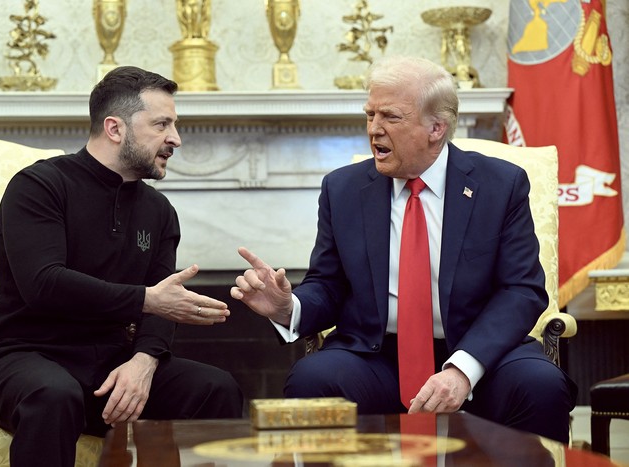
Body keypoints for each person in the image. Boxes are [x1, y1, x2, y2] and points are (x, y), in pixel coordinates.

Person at [231, 55, 576, 443]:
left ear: (436, 128)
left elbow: (521, 290)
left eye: (390, 117)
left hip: (479, 350)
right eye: (369, 115)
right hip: (375, 355)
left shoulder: (501, 185)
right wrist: (288, 308)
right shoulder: (343, 190)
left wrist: (463, 368)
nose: (373, 130)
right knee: (313, 379)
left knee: (541, 384)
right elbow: (328, 284)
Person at [0, 66, 243, 467]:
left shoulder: (159, 210)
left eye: (175, 124)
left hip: (111, 366)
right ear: (115, 128)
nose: (176, 139)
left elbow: (162, 302)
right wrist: (146, 300)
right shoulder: (39, 186)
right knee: (54, 394)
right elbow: (43, 284)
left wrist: (144, 362)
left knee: (214, 387)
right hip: (23, 358)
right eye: (162, 124)